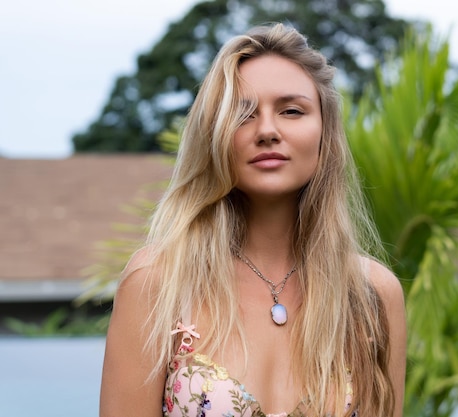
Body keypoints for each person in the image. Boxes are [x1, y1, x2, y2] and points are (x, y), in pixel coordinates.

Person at [100, 23, 406, 417]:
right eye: (242, 113)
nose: (267, 131)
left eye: (291, 110)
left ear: (325, 132)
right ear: (214, 134)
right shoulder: (159, 283)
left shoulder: (372, 295)